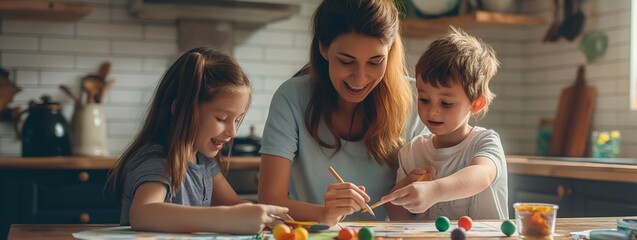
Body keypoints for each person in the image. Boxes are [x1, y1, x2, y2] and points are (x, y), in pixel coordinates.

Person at [257, 0, 428, 226]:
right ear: (323, 48)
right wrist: (323, 214)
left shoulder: (418, 99)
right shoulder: (292, 97)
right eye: (347, 61)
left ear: (390, 51)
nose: (360, 78)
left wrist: (422, 187)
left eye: (375, 62)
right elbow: (270, 200)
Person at [107, 47, 288, 234]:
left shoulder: (204, 162)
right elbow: (144, 214)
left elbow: (234, 206)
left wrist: (260, 214)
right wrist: (227, 218)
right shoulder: (157, 160)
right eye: (221, 119)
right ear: (180, 110)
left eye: (237, 120)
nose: (233, 132)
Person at [382, 27, 508, 220]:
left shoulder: (484, 142)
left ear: (476, 104)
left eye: (446, 103)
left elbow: (482, 175)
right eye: (424, 99)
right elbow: (398, 218)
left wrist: (434, 190)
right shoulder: (412, 152)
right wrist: (406, 187)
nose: (432, 111)